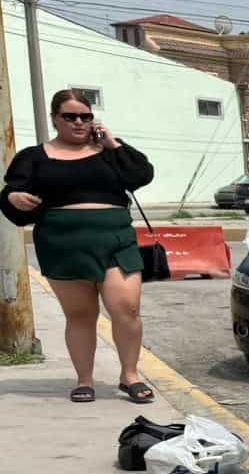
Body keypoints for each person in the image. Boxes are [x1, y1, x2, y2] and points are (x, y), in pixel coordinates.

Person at [0, 88, 156, 403]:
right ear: (56, 119)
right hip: (62, 242)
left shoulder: (110, 152)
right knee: (80, 314)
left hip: (114, 238)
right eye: (70, 116)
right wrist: (14, 197)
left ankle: (130, 375)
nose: (79, 122)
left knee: (126, 307)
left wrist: (112, 143)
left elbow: (142, 174)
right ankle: (84, 380)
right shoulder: (33, 156)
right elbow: (11, 194)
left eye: (85, 116)